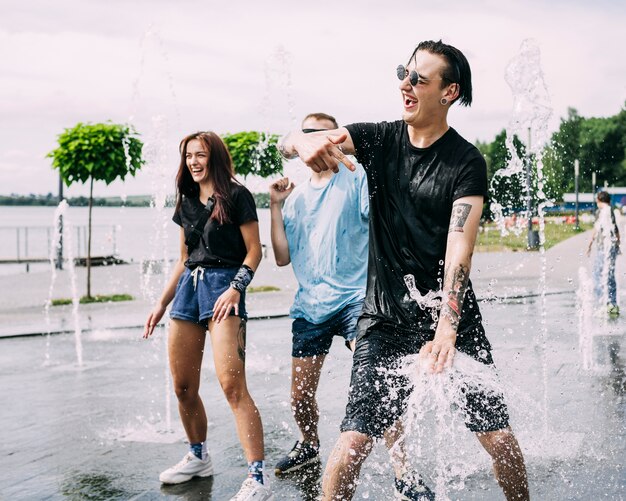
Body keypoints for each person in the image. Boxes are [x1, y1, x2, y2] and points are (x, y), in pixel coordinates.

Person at [278, 40, 530, 500]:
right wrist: (300, 141)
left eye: (419, 78)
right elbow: (289, 144)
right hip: (384, 318)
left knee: (501, 441)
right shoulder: (379, 138)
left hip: (450, 317)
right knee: (352, 442)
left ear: (449, 92)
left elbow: (460, 247)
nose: (405, 84)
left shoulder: (466, 162)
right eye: (404, 73)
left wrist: (447, 329)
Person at [143, 131, 273, 501]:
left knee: (233, 386)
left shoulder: (237, 196)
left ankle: (257, 477)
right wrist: (161, 303)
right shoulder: (185, 201)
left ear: (214, 157)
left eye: (200, 155)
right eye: (188, 156)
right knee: (183, 387)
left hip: (224, 291)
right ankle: (198, 456)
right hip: (188, 290)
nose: (193, 162)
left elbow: (254, 252)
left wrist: (236, 288)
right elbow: (183, 260)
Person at [269, 112, 369, 473]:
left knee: (375, 383)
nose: (315, 141)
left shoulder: (355, 176)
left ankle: (405, 469)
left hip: (356, 299)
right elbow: (282, 257)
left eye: (322, 134)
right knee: (299, 397)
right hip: (311, 306)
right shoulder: (294, 200)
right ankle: (309, 444)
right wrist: (275, 206)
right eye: (307, 134)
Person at [587, 190, 621, 316]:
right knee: (609, 274)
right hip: (610, 247)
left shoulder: (601, 211)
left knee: (598, 274)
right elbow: (615, 229)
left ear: (598, 200)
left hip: (604, 248)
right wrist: (618, 245)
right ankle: (612, 303)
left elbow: (596, 230)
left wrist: (589, 245)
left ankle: (603, 302)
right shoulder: (610, 209)